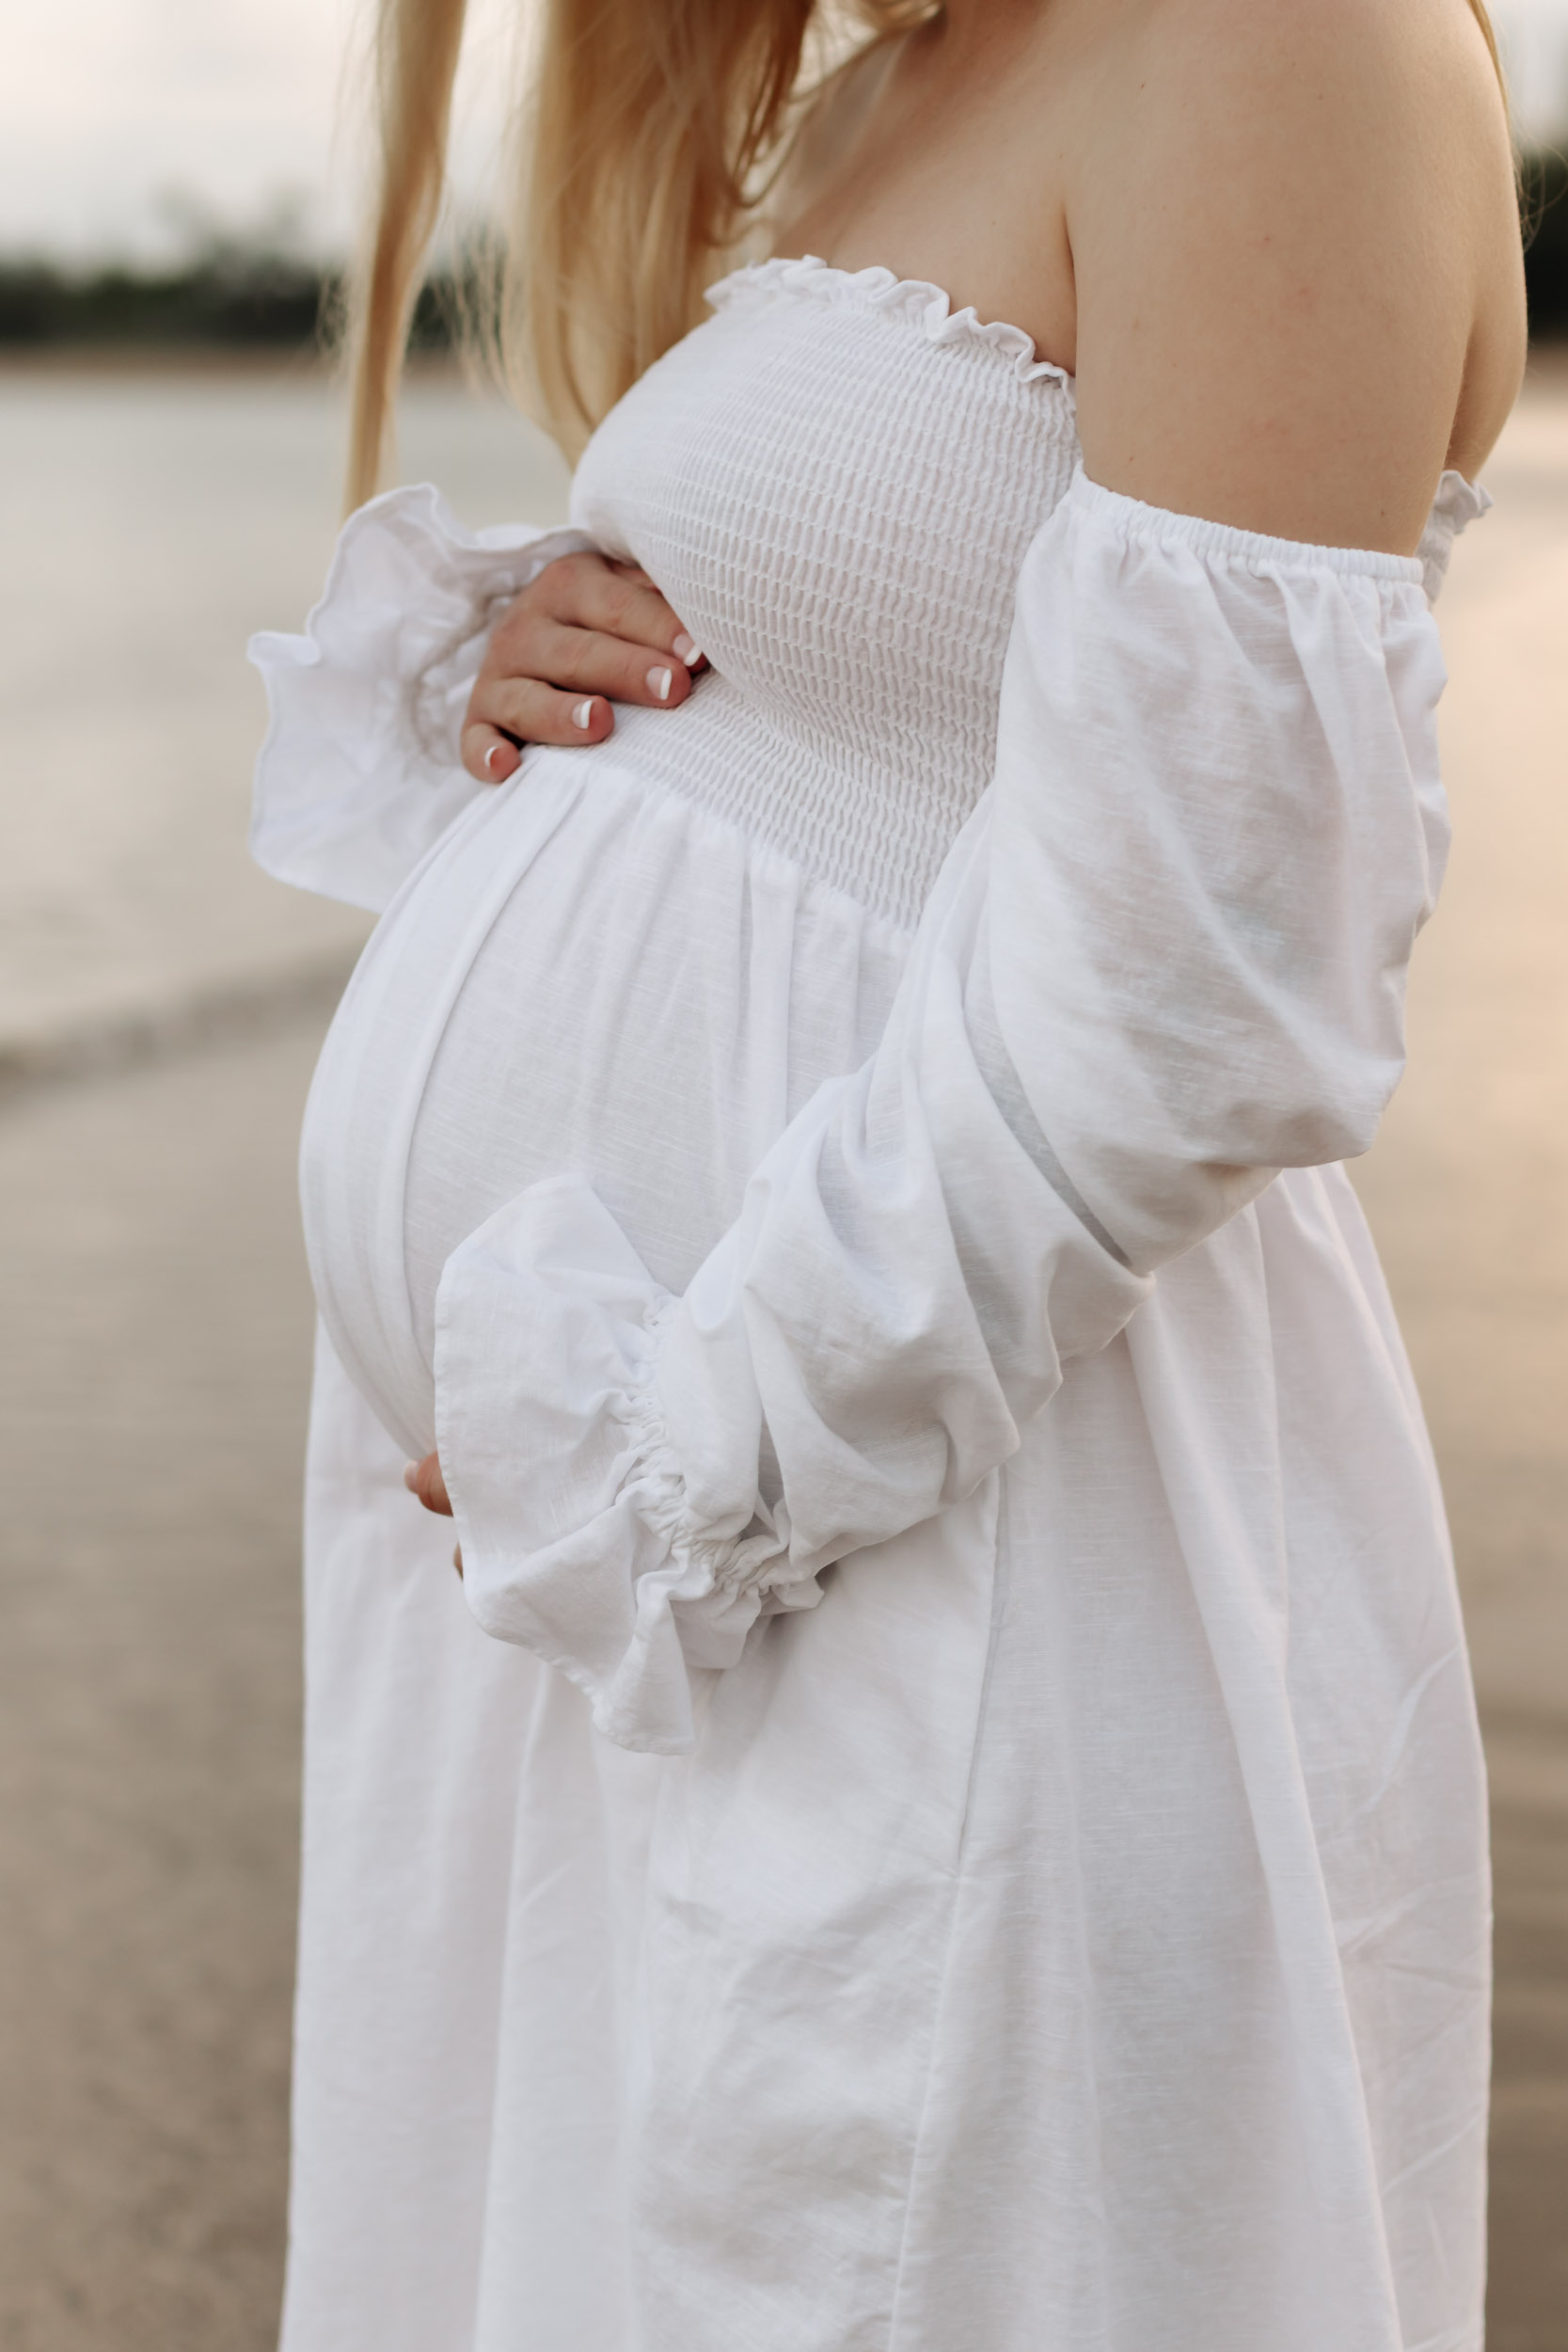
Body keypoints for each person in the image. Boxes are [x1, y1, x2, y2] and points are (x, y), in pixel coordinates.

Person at [247, 1, 1526, 2344]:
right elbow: (897, 710)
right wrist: (523, 680)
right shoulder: (906, 72)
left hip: (891, 1528)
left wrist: (671, 1469)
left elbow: (1202, 984)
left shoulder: (1279, 39)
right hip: (619, 1582)